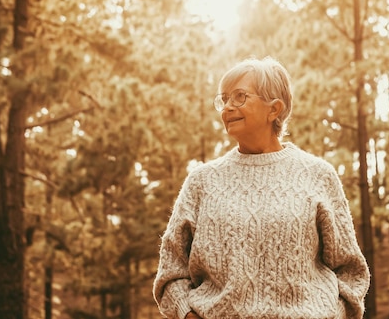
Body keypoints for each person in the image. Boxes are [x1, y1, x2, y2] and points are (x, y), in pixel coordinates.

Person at [153, 56, 370, 319]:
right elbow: (171, 271)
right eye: (224, 99)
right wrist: (188, 316)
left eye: (239, 97)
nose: (227, 108)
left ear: (274, 109)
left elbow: (351, 272)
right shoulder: (202, 181)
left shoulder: (317, 175)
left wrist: (335, 315)